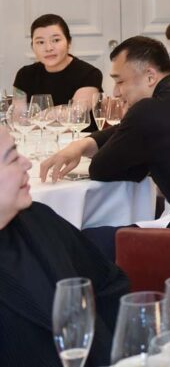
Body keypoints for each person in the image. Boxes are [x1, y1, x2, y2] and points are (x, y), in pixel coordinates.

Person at [39, 37, 170, 238]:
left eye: (120, 81)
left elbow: (100, 169)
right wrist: (83, 144)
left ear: (150, 76)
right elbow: (128, 131)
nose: (116, 92)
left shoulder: (147, 112)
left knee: (83, 237)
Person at [0, 126, 129, 366]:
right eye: (13, 158)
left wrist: (120, 356)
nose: (27, 163)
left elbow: (109, 284)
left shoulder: (37, 219)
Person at [13, 13, 103, 108]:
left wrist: (38, 115)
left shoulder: (89, 74)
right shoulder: (24, 75)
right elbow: (18, 114)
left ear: (69, 42)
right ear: (32, 47)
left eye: (56, 40)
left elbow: (77, 112)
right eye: (40, 42)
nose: (48, 48)